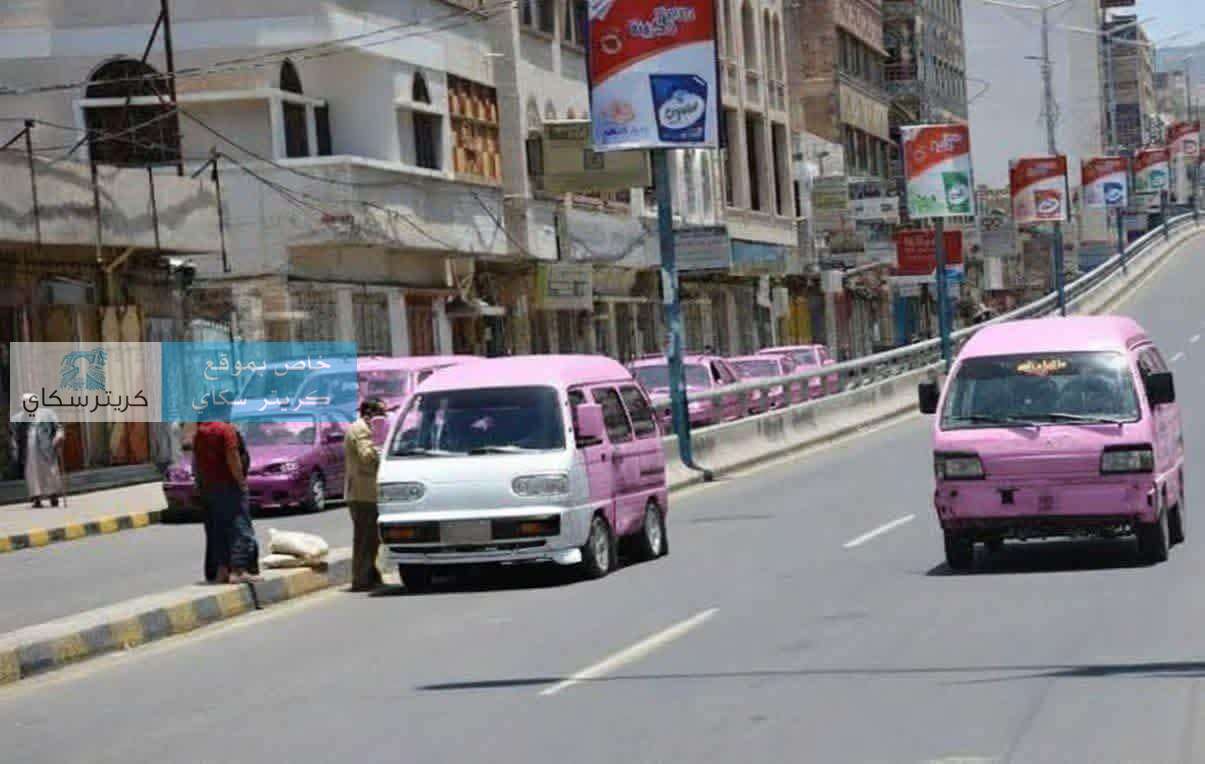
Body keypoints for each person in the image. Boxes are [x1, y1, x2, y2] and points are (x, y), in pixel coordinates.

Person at [193, 410, 258, 584]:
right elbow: (232, 456)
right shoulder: (225, 430)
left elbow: (197, 463)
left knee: (218, 530)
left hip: (209, 488)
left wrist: (200, 485)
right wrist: (241, 481)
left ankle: (222, 570)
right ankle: (238, 570)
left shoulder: (200, 433)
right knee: (240, 528)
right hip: (229, 486)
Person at [344, 399, 385, 592]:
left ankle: (370, 574)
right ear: (369, 413)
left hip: (369, 491)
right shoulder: (360, 430)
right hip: (362, 493)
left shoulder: (370, 429)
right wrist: (381, 447)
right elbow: (367, 456)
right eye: (381, 413)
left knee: (373, 538)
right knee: (364, 539)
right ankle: (361, 578)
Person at [15, 396, 65, 508]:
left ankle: (53, 496)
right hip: (29, 451)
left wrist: (59, 436)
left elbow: (58, 427)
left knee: (50, 472)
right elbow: (15, 435)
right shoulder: (19, 418)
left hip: (46, 448)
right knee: (32, 474)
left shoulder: (48, 414)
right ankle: (36, 498)